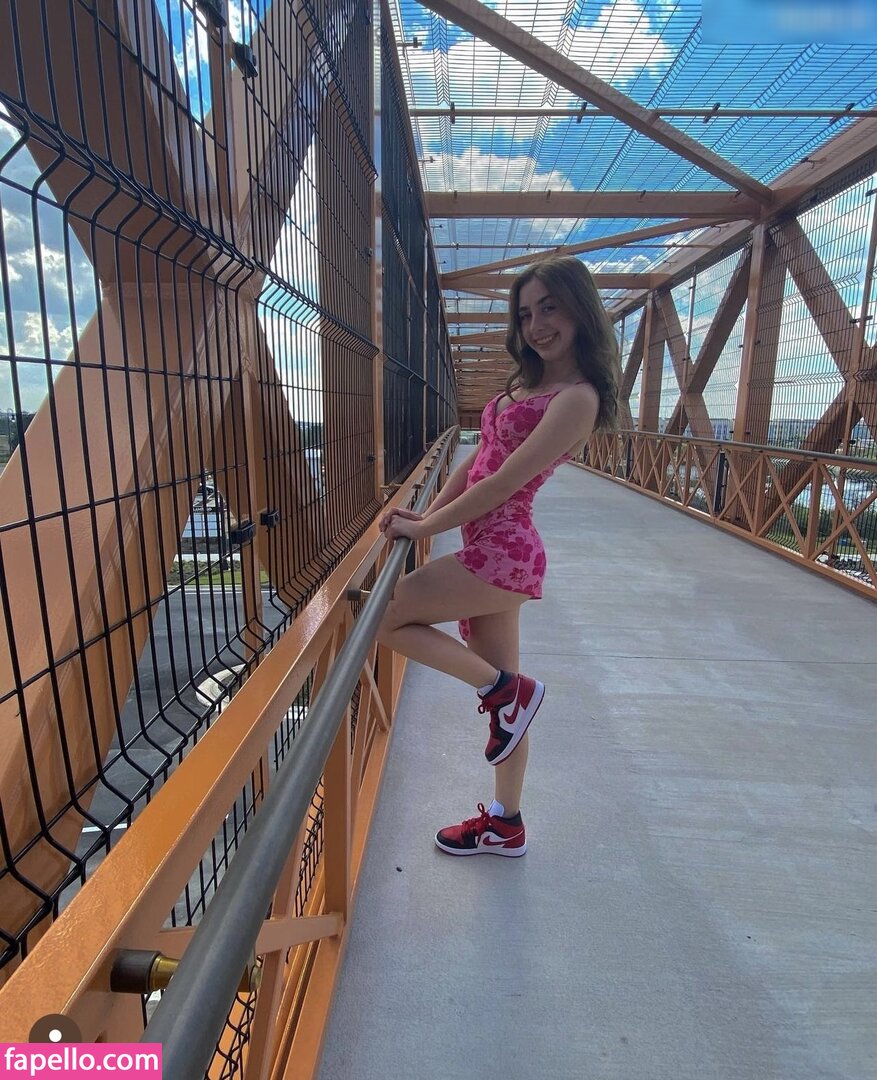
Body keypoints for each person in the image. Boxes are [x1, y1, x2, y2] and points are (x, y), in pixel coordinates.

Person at [378, 255, 621, 856]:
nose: (537, 325)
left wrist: (428, 525)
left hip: (505, 550)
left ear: (580, 311)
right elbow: (477, 460)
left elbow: (506, 481)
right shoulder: (525, 385)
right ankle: (507, 823)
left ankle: (505, 690)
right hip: (485, 546)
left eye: (550, 308)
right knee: (506, 715)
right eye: (526, 313)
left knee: (382, 617)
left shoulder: (577, 398)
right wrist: (427, 518)